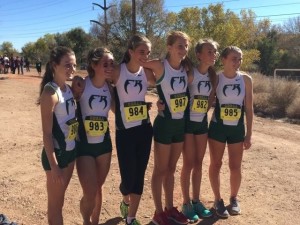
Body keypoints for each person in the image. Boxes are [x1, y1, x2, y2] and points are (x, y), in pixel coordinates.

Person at [139, 31, 191, 225]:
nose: (183, 50)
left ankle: (170, 209)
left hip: (180, 125)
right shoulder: (160, 65)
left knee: (171, 169)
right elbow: (139, 63)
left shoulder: (186, 68)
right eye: (180, 45)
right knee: (160, 170)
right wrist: (152, 83)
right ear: (169, 47)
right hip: (164, 124)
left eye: (186, 46)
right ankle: (158, 212)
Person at [110, 34, 155, 225]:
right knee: (128, 180)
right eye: (141, 52)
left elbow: (158, 83)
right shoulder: (118, 71)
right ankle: (124, 196)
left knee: (139, 176)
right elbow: (101, 85)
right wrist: (116, 109)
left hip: (144, 129)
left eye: (148, 52)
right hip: (125, 132)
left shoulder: (146, 72)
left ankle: (131, 218)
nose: (145, 56)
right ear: (130, 52)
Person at [208, 46, 253, 218]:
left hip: (236, 128)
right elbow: (209, 100)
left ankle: (234, 198)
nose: (238, 62)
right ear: (224, 60)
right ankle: (217, 200)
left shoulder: (246, 80)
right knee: (216, 164)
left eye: (240, 59)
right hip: (218, 128)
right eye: (234, 58)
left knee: (235, 166)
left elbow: (249, 109)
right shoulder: (216, 78)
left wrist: (249, 134)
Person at [72, 48, 114, 225]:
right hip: (84, 146)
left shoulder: (110, 88)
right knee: (89, 192)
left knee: (98, 188)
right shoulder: (82, 85)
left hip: (104, 145)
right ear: (93, 65)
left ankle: (95, 221)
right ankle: (86, 221)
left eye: (112, 63)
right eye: (105, 64)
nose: (110, 67)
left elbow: (120, 113)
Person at [38, 46, 78, 225]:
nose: (72, 69)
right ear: (55, 65)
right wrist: (54, 166)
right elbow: (46, 134)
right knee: (54, 206)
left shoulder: (67, 89)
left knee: (60, 202)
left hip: (70, 152)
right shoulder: (50, 93)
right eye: (67, 65)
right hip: (57, 156)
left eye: (74, 65)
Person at [180, 39, 219, 222]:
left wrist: (202, 111)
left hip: (202, 123)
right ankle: (186, 203)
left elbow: (211, 100)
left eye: (215, 52)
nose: (213, 55)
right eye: (209, 51)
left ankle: (196, 201)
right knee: (188, 164)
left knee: (198, 164)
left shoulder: (214, 76)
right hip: (187, 123)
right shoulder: (190, 74)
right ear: (199, 55)